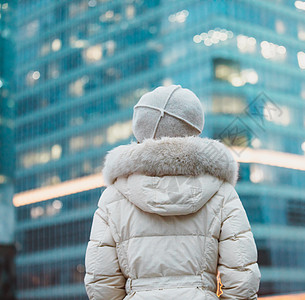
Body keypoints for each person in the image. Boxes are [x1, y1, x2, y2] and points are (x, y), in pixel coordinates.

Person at [84, 85, 261, 299]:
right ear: (194, 127)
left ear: (141, 128)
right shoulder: (221, 193)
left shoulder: (113, 197)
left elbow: (100, 281)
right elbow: (242, 277)